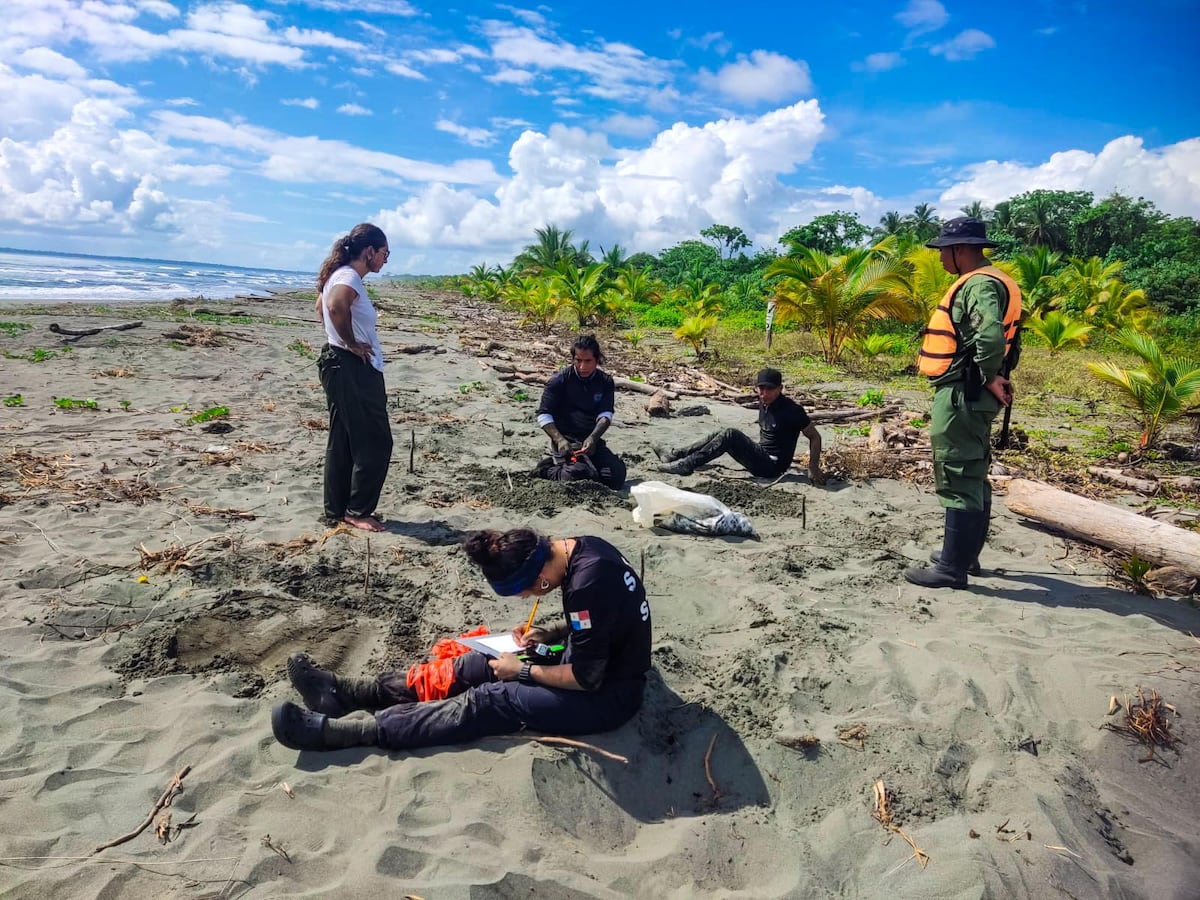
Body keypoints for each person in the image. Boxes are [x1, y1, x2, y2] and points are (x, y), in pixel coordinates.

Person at [271, 528, 652, 752]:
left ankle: (347, 733)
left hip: (608, 695)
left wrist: (522, 672)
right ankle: (348, 692)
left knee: (492, 699)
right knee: (478, 662)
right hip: (591, 661)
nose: (526, 600)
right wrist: (551, 632)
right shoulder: (584, 549)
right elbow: (602, 620)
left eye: (521, 593)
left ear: (539, 580)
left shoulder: (586, 584)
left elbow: (587, 677)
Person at [903, 217, 1022, 589]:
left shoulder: (979, 284)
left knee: (957, 471)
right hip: (970, 391)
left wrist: (987, 377)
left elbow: (989, 335)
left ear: (960, 250)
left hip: (964, 392)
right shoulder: (991, 280)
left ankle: (952, 568)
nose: (939, 259)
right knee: (972, 470)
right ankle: (965, 556)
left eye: (943, 251)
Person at [314, 223, 393, 533]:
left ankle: (337, 510)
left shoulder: (339, 275)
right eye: (385, 253)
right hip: (350, 366)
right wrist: (350, 342)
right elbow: (333, 306)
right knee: (375, 442)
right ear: (369, 251)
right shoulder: (347, 276)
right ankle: (358, 510)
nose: (386, 260)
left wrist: (341, 339)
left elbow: (321, 306)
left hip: (338, 364)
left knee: (344, 439)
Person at [654, 368, 825, 484]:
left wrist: (813, 467)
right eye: (761, 389)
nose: (764, 393)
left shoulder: (792, 410)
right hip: (760, 455)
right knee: (719, 433)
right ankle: (675, 455)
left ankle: (686, 465)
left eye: (769, 389)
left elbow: (815, 436)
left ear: (780, 388)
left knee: (730, 434)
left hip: (772, 466)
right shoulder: (764, 402)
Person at [533, 335, 627, 489]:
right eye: (578, 360)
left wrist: (593, 438)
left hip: (591, 440)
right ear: (573, 359)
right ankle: (547, 469)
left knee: (616, 476)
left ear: (597, 359)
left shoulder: (605, 382)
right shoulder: (559, 381)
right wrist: (560, 440)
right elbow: (543, 415)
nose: (582, 367)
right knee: (579, 474)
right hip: (566, 441)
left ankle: (583, 467)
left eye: (588, 361)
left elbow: (605, 415)